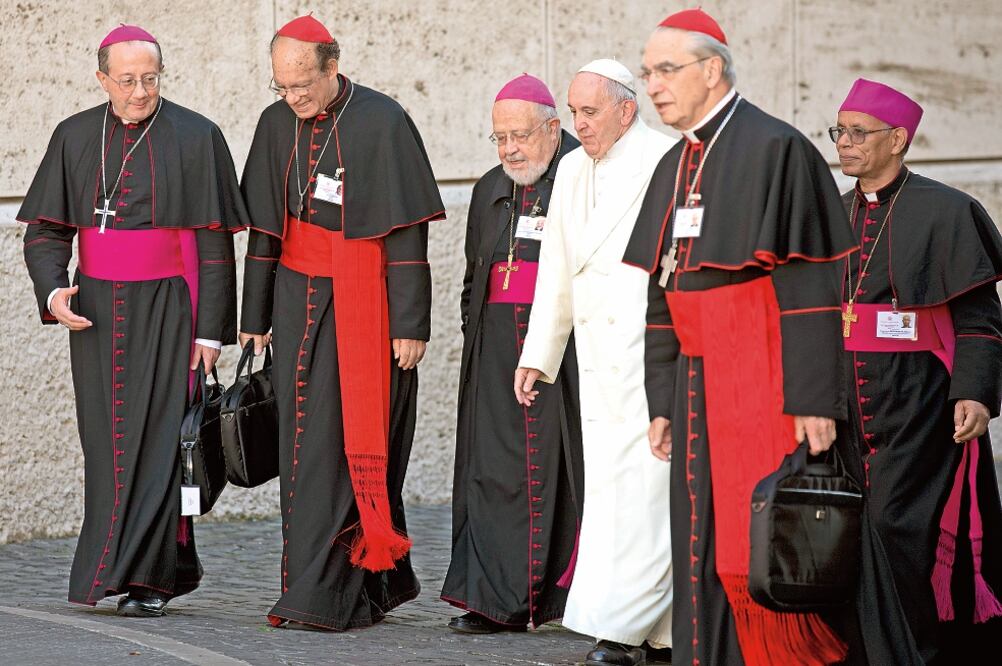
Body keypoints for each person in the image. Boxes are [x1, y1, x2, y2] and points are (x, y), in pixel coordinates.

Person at [623, 9, 858, 665]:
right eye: (648, 71)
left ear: (712, 70)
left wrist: (814, 397)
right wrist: (662, 401)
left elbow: (812, 282)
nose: (653, 84)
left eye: (666, 69)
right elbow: (661, 291)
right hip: (695, 380)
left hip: (763, 377)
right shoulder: (677, 161)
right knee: (697, 535)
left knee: (755, 541)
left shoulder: (775, 148)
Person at [18, 24, 243, 616]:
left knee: (163, 439)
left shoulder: (197, 135)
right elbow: (45, 234)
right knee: (107, 444)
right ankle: (108, 568)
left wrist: (210, 331)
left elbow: (216, 247)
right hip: (95, 311)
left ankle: (151, 580)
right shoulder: (73, 136)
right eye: (128, 80)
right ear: (102, 80)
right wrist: (52, 292)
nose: (141, 91)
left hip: (171, 307)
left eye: (151, 78)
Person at [238, 14, 445, 630]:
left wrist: (410, 322)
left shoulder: (382, 121)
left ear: (333, 66)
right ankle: (309, 583)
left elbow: (405, 235)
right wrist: (253, 318)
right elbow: (264, 233)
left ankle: (334, 593)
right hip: (295, 300)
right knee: (300, 447)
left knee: (341, 442)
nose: (293, 98)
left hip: (365, 306)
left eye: (303, 84)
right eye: (282, 87)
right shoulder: (277, 123)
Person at [833, 78, 1002, 663]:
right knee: (848, 530)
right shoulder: (831, 212)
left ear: (898, 138)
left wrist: (975, 394)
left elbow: (980, 318)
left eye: (859, 132)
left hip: (919, 400)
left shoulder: (948, 210)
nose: (845, 143)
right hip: (844, 403)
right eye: (840, 131)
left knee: (897, 527)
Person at [515, 59, 675, 666]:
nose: (577, 124)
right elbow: (556, 266)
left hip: (646, 352)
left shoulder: (663, 159)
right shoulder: (572, 168)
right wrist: (539, 352)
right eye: (573, 111)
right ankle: (647, 629)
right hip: (596, 358)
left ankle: (628, 631)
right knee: (612, 497)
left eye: (589, 112)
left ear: (626, 110)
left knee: (651, 494)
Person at [441, 74, 583, 634]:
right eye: (499, 139)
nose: (509, 150)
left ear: (553, 128)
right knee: (492, 475)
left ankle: (564, 599)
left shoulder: (580, 178)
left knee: (564, 476)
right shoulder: (487, 189)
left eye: (519, 136)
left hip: (562, 356)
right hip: (495, 352)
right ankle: (491, 598)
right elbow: (475, 275)